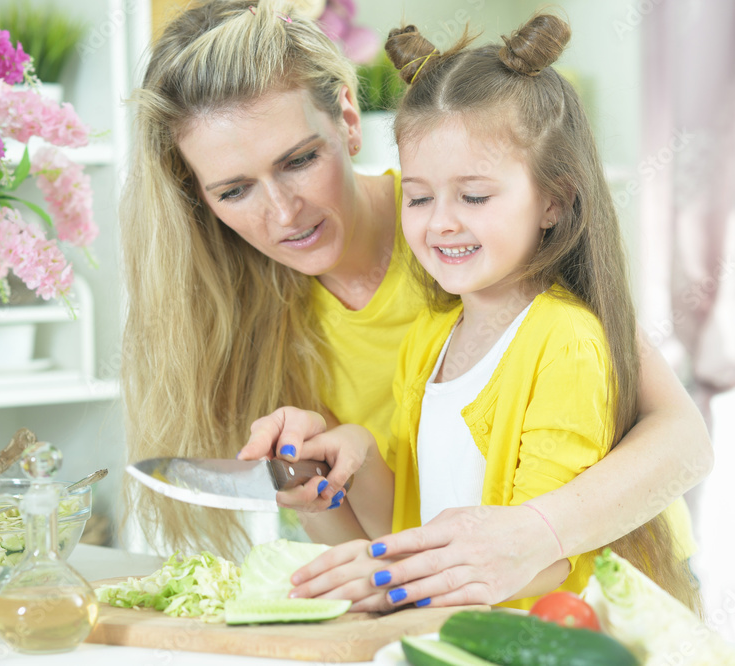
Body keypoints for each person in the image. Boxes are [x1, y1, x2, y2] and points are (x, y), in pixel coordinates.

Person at [119, 0, 712, 606]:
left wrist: (533, 536)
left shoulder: (476, 241)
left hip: (615, 594)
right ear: (198, 196)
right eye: (234, 190)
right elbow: (397, 534)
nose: (283, 212)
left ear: (348, 119)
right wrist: (329, 481)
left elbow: (684, 441)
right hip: (464, 608)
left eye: (300, 160)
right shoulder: (256, 315)